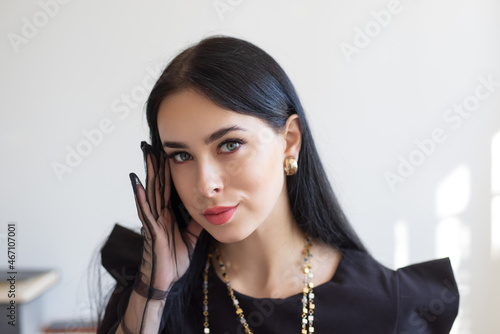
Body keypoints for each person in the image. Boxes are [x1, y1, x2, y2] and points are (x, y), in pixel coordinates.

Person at [97, 36, 459, 334]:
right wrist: (155, 292)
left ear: (289, 141)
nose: (205, 185)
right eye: (181, 156)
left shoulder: (385, 307)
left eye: (229, 145)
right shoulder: (151, 288)